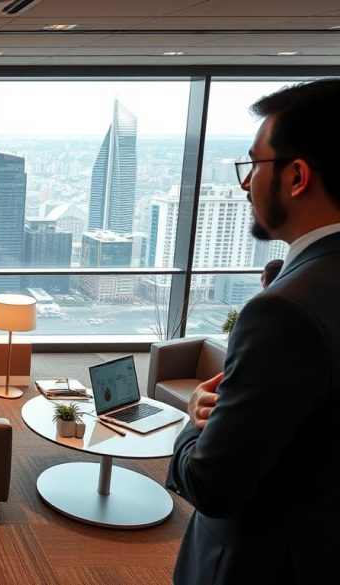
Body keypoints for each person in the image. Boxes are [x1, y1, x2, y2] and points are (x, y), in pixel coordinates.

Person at [166, 79, 340, 584]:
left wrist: (191, 426)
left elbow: (212, 484)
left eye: (254, 165)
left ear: (297, 175)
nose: (245, 184)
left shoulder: (284, 311)